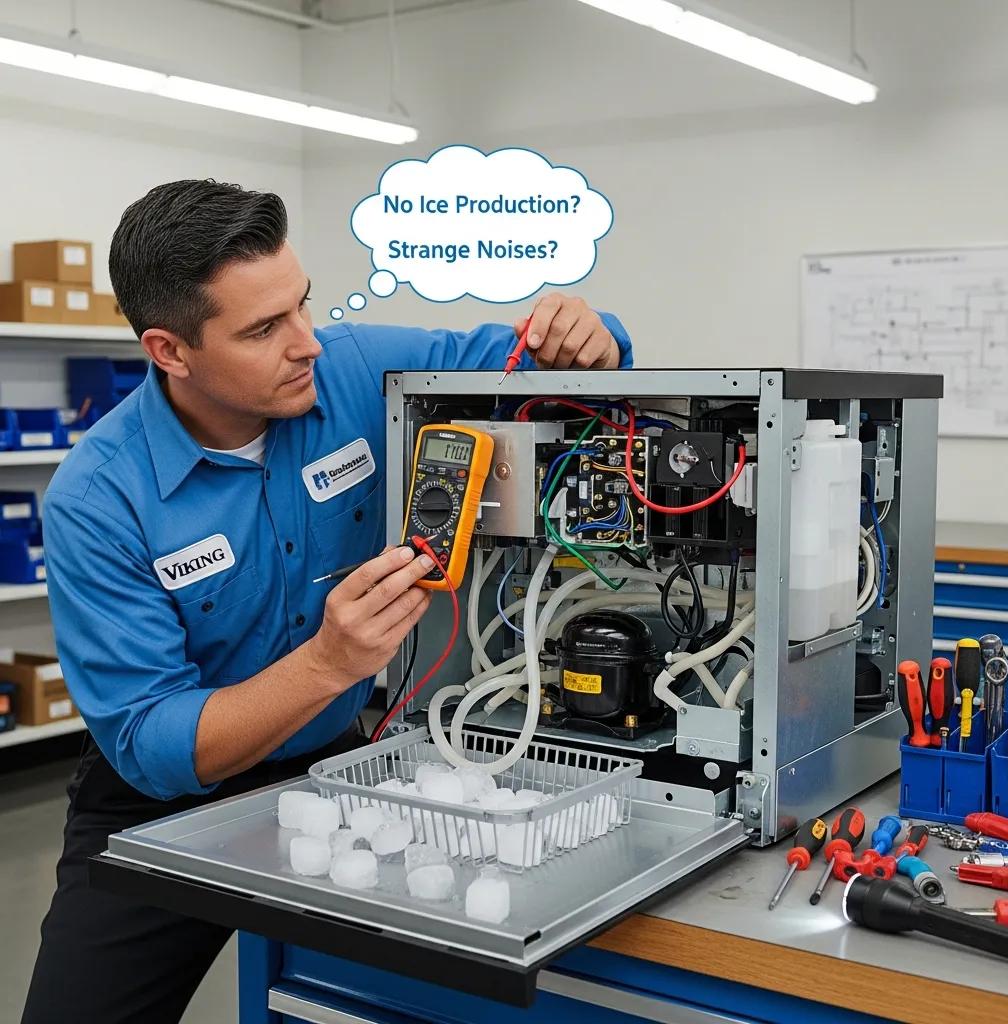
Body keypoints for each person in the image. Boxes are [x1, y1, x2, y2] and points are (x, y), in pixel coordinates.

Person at [21, 178, 632, 1024]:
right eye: (264, 329)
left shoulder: (353, 370)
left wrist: (592, 338)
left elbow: (537, 359)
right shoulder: (99, 497)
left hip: (337, 763)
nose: (306, 343)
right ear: (170, 350)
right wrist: (329, 664)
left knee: (373, 1003)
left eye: (301, 306)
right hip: (159, 800)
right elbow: (153, 743)